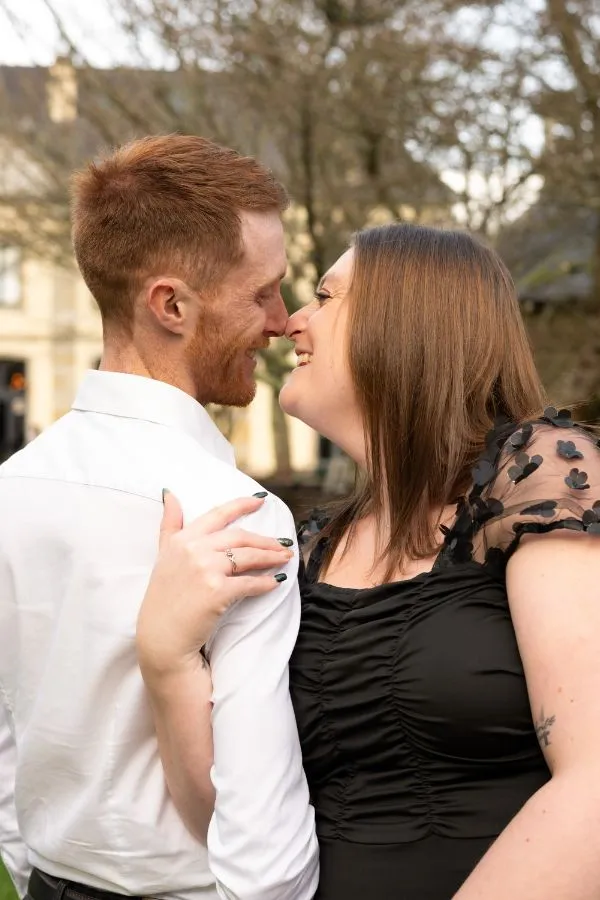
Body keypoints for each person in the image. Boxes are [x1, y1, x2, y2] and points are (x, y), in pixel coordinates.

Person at [138, 223, 600, 900]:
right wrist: (165, 655)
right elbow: (236, 822)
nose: (292, 321)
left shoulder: (538, 478)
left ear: (407, 318)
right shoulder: (314, 548)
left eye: (324, 297)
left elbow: (593, 780)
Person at [0, 134, 319, 900]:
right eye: (262, 292)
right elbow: (266, 855)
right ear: (171, 304)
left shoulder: (11, 487)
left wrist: (31, 861)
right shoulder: (239, 515)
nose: (280, 321)